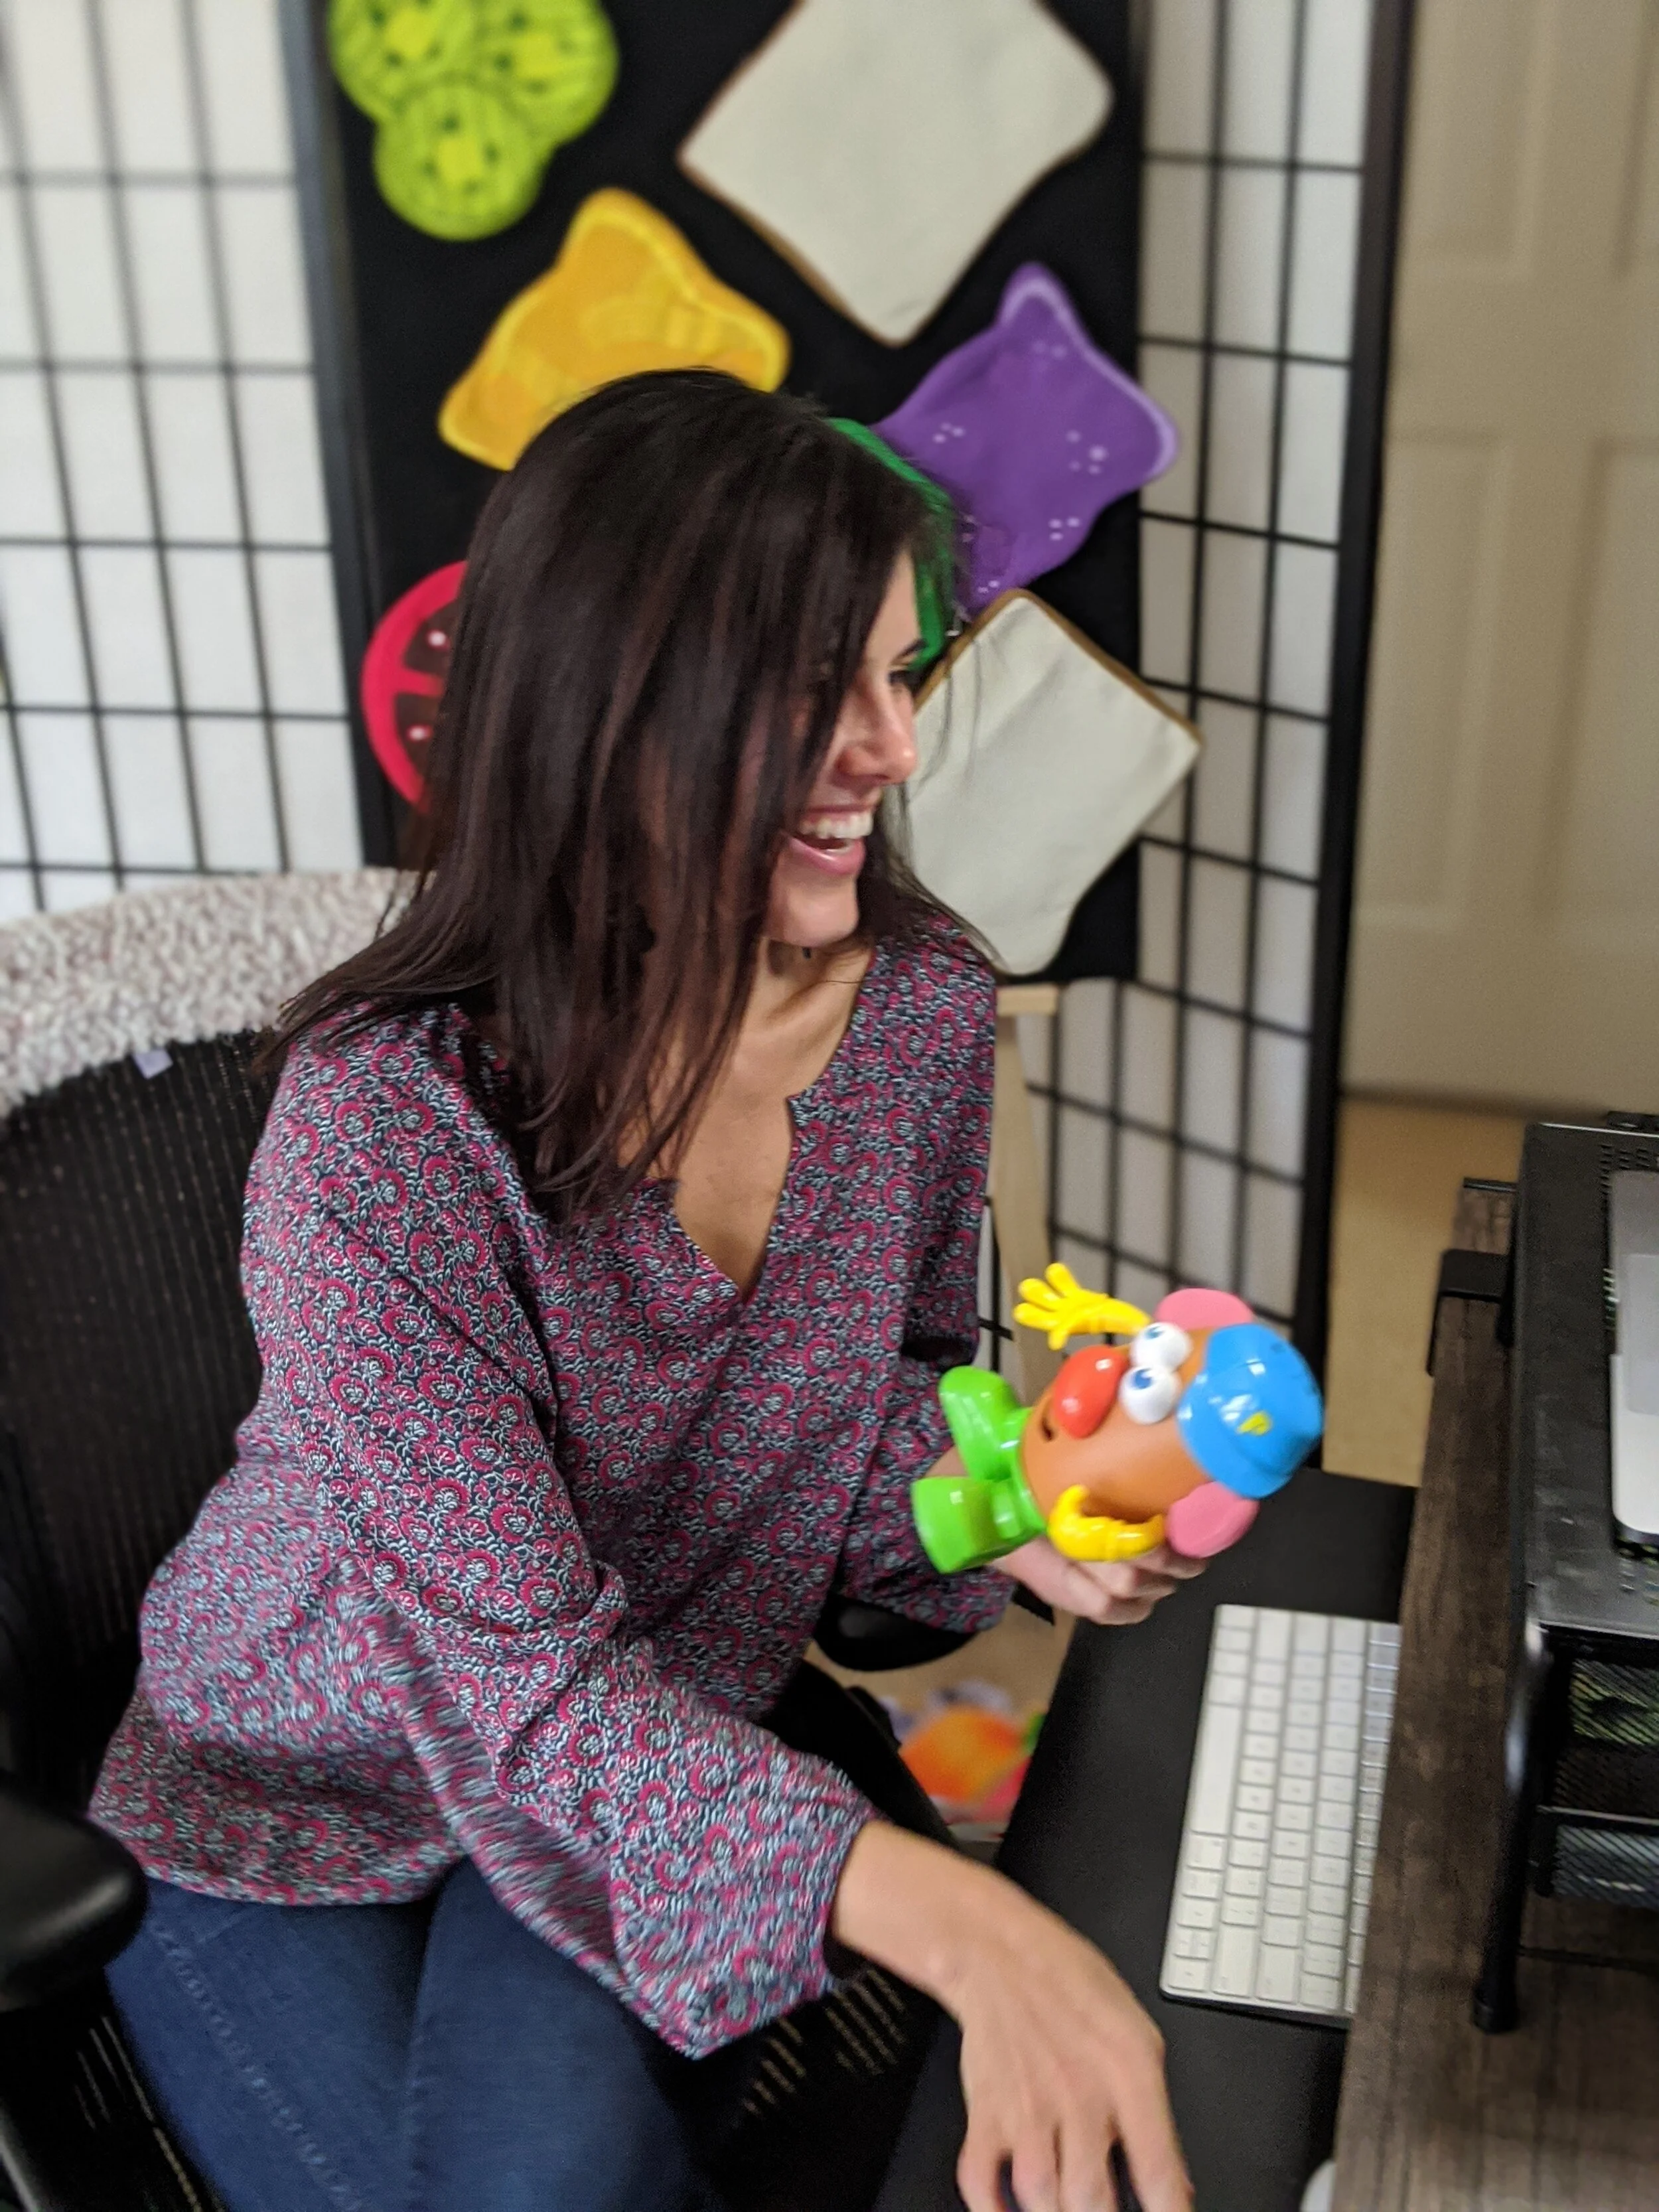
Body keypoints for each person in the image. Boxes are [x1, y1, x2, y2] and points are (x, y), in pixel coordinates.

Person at [92, 372, 1200, 2212]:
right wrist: (962, 1920)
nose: (891, 746)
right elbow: (517, 1686)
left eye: (892, 674)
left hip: (657, 1726)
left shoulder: (920, 1013)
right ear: (612, 713)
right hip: (293, 1783)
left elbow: (858, 1430)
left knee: (560, 2170)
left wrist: (1017, 1498)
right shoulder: (379, 1125)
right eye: (809, 690)